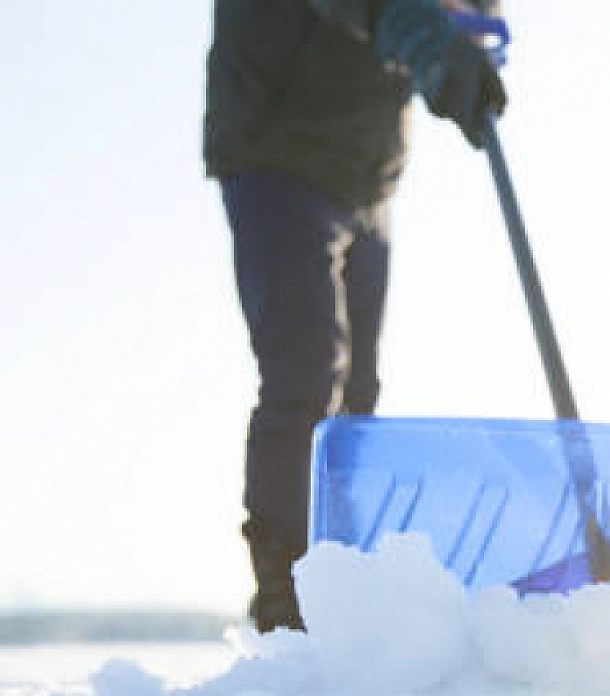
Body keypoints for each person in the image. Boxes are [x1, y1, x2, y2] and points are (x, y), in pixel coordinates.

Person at [204, 0, 506, 632]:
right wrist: (410, 22)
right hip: (278, 145)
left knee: (357, 398)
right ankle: (288, 596)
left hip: (366, 169)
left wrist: (465, 25)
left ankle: (344, 585)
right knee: (306, 377)